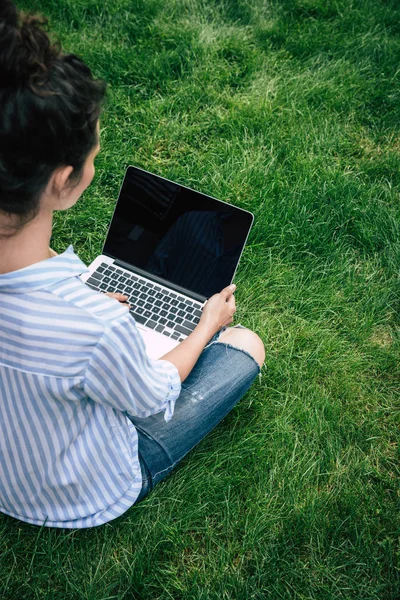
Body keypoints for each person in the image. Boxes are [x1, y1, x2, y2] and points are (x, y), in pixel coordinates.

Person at [0, 0, 265, 528]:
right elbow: (150, 396)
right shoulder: (96, 325)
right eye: (94, 155)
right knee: (246, 345)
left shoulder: (83, 312)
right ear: (62, 179)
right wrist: (206, 325)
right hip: (81, 493)